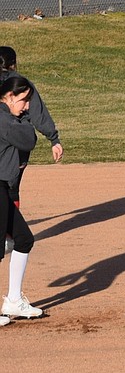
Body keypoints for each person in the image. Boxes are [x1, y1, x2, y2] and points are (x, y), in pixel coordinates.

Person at [0, 75, 45, 323]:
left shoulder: (7, 118)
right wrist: (26, 121)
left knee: (23, 239)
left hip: (4, 188)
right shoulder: (5, 121)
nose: (26, 106)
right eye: (23, 100)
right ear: (8, 97)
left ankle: (14, 301)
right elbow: (30, 140)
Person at [0, 45, 64, 211]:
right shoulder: (21, 84)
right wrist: (54, 139)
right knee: (12, 188)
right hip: (19, 139)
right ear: (13, 64)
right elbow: (38, 114)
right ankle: (9, 233)